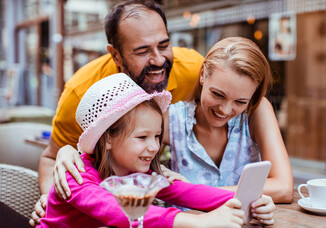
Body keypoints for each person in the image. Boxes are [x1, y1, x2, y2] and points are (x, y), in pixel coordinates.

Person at [30, 0, 283, 226]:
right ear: (115, 55)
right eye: (142, 51)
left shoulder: (193, 69)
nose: (159, 60)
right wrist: (51, 193)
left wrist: (253, 200)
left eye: (164, 45)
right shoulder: (79, 93)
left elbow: (188, 193)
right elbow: (55, 159)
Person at [29, 73, 275, 228]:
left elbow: (190, 193)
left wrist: (251, 201)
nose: (154, 147)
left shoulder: (140, 175)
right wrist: (201, 224)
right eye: (142, 137)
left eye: (157, 137)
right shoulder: (77, 175)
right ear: (108, 139)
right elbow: (115, 210)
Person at [52, 37, 293, 204]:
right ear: (202, 75)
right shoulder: (172, 118)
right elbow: (114, 143)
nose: (226, 109)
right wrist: (68, 152)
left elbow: (283, 188)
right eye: (217, 94)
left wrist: (199, 193)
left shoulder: (257, 110)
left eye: (240, 101)